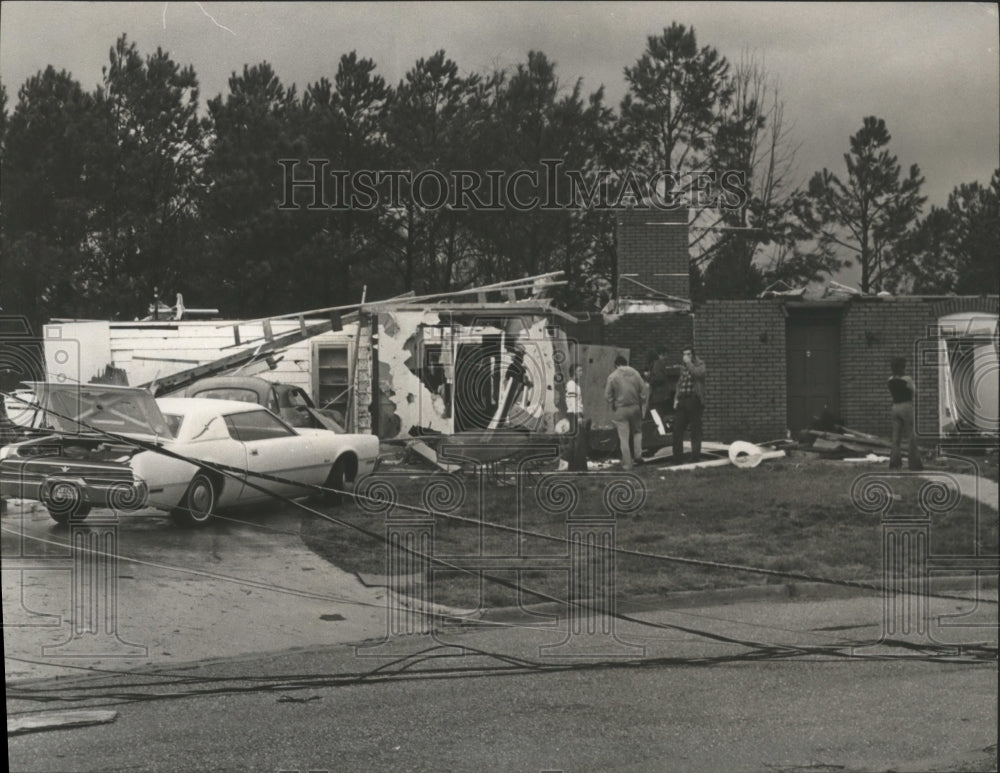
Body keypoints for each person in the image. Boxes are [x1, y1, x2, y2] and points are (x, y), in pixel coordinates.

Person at [605, 355, 649, 471]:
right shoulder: (635, 373)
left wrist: (613, 403)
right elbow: (644, 391)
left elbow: (607, 395)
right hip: (635, 407)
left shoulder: (612, 376)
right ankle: (638, 456)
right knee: (637, 432)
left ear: (616, 365)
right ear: (626, 363)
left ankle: (627, 464)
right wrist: (641, 402)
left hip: (621, 409)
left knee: (623, 437)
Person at [672, 345, 706, 464]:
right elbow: (679, 385)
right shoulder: (683, 368)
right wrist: (676, 399)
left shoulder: (699, 365)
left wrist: (689, 363)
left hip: (694, 400)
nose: (686, 356)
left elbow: (698, 374)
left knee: (695, 430)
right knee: (677, 429)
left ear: (693, 355)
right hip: (682, 400)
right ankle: (677, 458)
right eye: (684, 354)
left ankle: (695, 457)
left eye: (689, 354)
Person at [887, 356, 923, 471]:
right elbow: (915, 391)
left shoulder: (890, 379)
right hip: (906, 406)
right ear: (902, 367)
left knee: (896, 437)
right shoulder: (907, 379)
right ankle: (914, 464)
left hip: (895, 407)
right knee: (911, 435)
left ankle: (894, 464)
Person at [558, 364, 589, 471]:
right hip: (574, 414)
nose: (581, 373)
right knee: (578, 441)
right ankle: (577, 466)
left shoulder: (575, 385)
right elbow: (572, 402)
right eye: (579, 371)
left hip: (575, 413)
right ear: (574, 372)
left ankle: (574, 466)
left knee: (576, 441)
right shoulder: (571, 385)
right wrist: (578, 416)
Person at [647, 346, 672, 420]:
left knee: (658, 419)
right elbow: (659, 378)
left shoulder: (657, 364)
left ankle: (661, 431)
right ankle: (661, 431)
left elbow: (658, 378)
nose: (666, 357)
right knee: (659, 418)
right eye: (665, 355)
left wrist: (649, 380)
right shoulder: (658, 364)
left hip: (657, 397)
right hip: (660, 397)